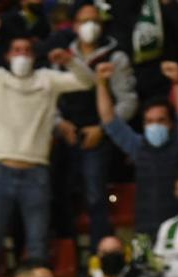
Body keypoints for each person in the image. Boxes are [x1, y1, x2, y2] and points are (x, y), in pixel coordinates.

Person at [0, 15, 93, 277]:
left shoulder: (48, 80)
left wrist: (70, 61)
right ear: (7, 55)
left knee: (38, 243)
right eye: (16, 50)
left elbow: (86, 81)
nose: (22, 55)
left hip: (36, 173)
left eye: (27, 50)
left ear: (34, 55)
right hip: (0, 171)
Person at [49, 1, 136, 248]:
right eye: (85, 21)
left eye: (95, 21)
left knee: (96, 195)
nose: (91, 26)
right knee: (62, 193)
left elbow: (128, 101)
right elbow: (50, 98)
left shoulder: (115, 57)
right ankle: (69, 253)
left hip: (98, 136)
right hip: (67, 134)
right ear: (74, 26)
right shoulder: (62, 58)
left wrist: (103, 128)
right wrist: (59, 123)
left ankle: (101, 250)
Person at [98, 60, 178, 261]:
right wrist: (101, 83)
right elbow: (110, 120)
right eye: (149, 121)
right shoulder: (138, 146)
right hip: (143, 230)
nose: (155, 125)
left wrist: (177, 83)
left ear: (171, 124)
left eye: (161, 120)